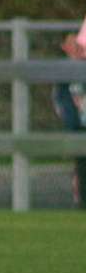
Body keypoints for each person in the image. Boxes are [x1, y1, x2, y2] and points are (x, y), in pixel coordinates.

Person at [56, 33, 86, 209]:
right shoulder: (64, 73)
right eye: (73, 44)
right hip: (78, 125)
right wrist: (71, 121)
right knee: (81, 165)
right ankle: (82, 201)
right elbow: (61, 100)